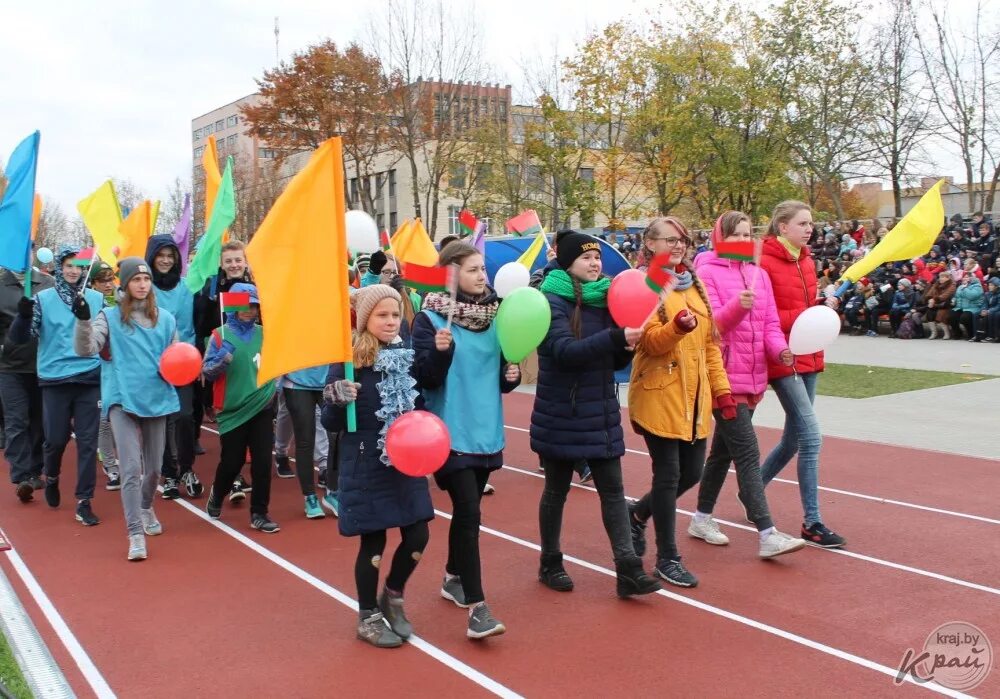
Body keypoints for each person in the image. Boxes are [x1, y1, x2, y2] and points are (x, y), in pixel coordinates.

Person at [530, 231, 661, 596]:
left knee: (614, 491)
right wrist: (617, 338)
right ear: (568, 262)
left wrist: (627, 345)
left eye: (598, 258)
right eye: (587, 258)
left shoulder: (608, 298)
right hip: (561, 410)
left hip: (599, 409)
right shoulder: (551, 299)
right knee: (556, 491)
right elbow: (563, 351)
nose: (595, 264)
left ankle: (628, 569)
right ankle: (550, 561)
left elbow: (613, 357)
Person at [411, 241, 517, 639]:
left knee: (469, 514)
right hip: (448, 430)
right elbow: (424, 378)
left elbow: (504, 373)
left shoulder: (499, 316)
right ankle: (478, 607)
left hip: (486, 428)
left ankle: (454, 576)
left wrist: (512, 376)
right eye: (473, 270)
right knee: (469, 511)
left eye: (482, 270)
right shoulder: (430, 319)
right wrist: (439, 354)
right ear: (452, 274)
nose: (482, 277)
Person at [687, 212, 805, 560]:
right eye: (734, 235)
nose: (742, 241)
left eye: (746, 234)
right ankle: (767, 533)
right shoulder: (705, 272)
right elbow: (710, 328)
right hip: (722, 379)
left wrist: (780, 350)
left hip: (753, 377)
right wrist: (737, 308)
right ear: (720, 237)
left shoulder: (759, 274)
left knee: (722, 453)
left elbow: (769, 324)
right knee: (748, 454)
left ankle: (701, 518)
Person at [321, 285, 433, 648]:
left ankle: (394, 595)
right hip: (367, 461)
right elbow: (331, 422)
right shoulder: (349, 357)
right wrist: (339, 397)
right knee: (374, 541)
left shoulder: (407, 353)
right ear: (366, 318)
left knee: (418, 534)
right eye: (382, 315)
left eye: (395, 314)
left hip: (407, 462)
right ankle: (368, 615)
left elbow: (421, 403)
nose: (390, 321)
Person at [626, 217, 733, 588]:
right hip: (659, 394)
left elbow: (709, 346)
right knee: (668, 475)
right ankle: (667, 557)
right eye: (669, 240)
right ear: (650, 244)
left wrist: (722, 391)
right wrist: (677, 328)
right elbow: (650, 343)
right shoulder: (643, 284)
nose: (678, 246)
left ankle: (637, 514)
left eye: (683, 240)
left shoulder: (694, 284)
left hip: (695, 398)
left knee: (693, 473)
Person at [74, 258, 179, 560]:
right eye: (136, 279)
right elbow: (86, 349)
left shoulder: (167, 320)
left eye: (146, 278)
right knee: (131, 468)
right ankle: (134, 533)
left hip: (156, 400)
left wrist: (181, 369)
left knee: (156, 469)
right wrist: (82, 321)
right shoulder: (108, 317)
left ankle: (146, 507)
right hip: (122, 400)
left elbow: (176, 357)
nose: (143, 284)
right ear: (126, 283)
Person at [758, 201, 845, 548]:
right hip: (783, 359)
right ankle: (813, 522)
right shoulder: (763, 262)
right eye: (802, 223)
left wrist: (825, 305)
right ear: (782, 227)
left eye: (811, 223)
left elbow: (807, 311)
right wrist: (811, 312)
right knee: (811, 438)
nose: (810, 229)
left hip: (811, 356)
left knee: (794, 440)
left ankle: (751, 490)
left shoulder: (808, 260)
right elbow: (768, 317)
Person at [8, 247, 103, 525]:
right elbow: (20, 339)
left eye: (79, 266)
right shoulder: (42, 299)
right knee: (56, 439)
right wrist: (23, 317)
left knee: (87, 443)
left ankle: (84, 501)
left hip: (89, 377)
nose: (74, 271)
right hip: (55, 380)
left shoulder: (96, 298)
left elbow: (110, 335)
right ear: (60, 267)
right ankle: (51, 476)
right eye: (69, 265)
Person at [202, 283, 279, 534]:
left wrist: (273, 388)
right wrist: (222, 358)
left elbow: (274, 364)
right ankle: (217, 494)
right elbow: (208, 373)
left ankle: (260, 512)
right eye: (245, 305)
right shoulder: (218, 335)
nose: (250, 310)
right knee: (232, 462)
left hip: (261, 405)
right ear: (233, 306)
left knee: (262, 461)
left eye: (254, 306)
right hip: (233, 409)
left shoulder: (265, 334)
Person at [145, 235, 202, 500]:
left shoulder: (186, 288)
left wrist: (191, 358)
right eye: (161, 255)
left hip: (182, 363)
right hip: (153, 364)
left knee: (185, 416)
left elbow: (190, 326)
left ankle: (187, 468)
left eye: (171, 255)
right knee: (163, 419)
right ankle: (169, 473)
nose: (166, 260)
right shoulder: (144, 288)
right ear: (152, 257)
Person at [193, 240, 254, 465]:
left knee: (251, 399)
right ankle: (232, 449)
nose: (234, 264)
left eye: (238, 260)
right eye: (229, 261)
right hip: (222, 353)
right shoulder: (212, 288)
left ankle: (248, 444)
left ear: (245, 262)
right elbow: (200, 326)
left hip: (249, 354)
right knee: (226, 402)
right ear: (221, 263)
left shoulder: (256, 286)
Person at [0, 258, 53, 502]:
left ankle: (35, 469)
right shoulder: (1, 285)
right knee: (15, 420)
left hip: (42, 365)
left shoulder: (47, 283)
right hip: (9, 367)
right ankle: (21, 476)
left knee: (38, 421)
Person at [278, 364, 338, 518]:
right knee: (305, 440)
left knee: (336, 437)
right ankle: (310, 497)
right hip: (297, 381)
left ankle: (333, 491)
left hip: (328, 379)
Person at [88, 261, 121, 490]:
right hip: (93, 368)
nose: (109, 285)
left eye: (111, 279)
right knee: (104, 419)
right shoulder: (86, 301)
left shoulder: (119, 300)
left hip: (118, 368)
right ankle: (111, 467)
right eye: (103, 281)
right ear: (93, 284)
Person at [951, 271, 984, 341]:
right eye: (964, 277)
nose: (965, 278)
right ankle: (958, 333)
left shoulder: (977, 286)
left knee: (965, 318)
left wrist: (965, 288)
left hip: (973, 308)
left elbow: (971, 296)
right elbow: (956, 296)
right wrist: (954, 300)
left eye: (967, 277)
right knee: (952, 316)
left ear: (972, 278)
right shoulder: (960, 286)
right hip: (961, 307)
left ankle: (971, 334)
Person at [924, 271, 956, 340]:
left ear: (948, 278)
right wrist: (929, 299)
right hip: (936, 304)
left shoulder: (952, 285)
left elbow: (945, 296)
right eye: (940, 277)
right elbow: (929, 293)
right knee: (930, 312)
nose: (940, 279)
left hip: (946, 305)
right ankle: (934, 333)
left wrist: (934, 300)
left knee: (941, 314)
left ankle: (946, 333)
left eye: (943, 277)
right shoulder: (936, 284)